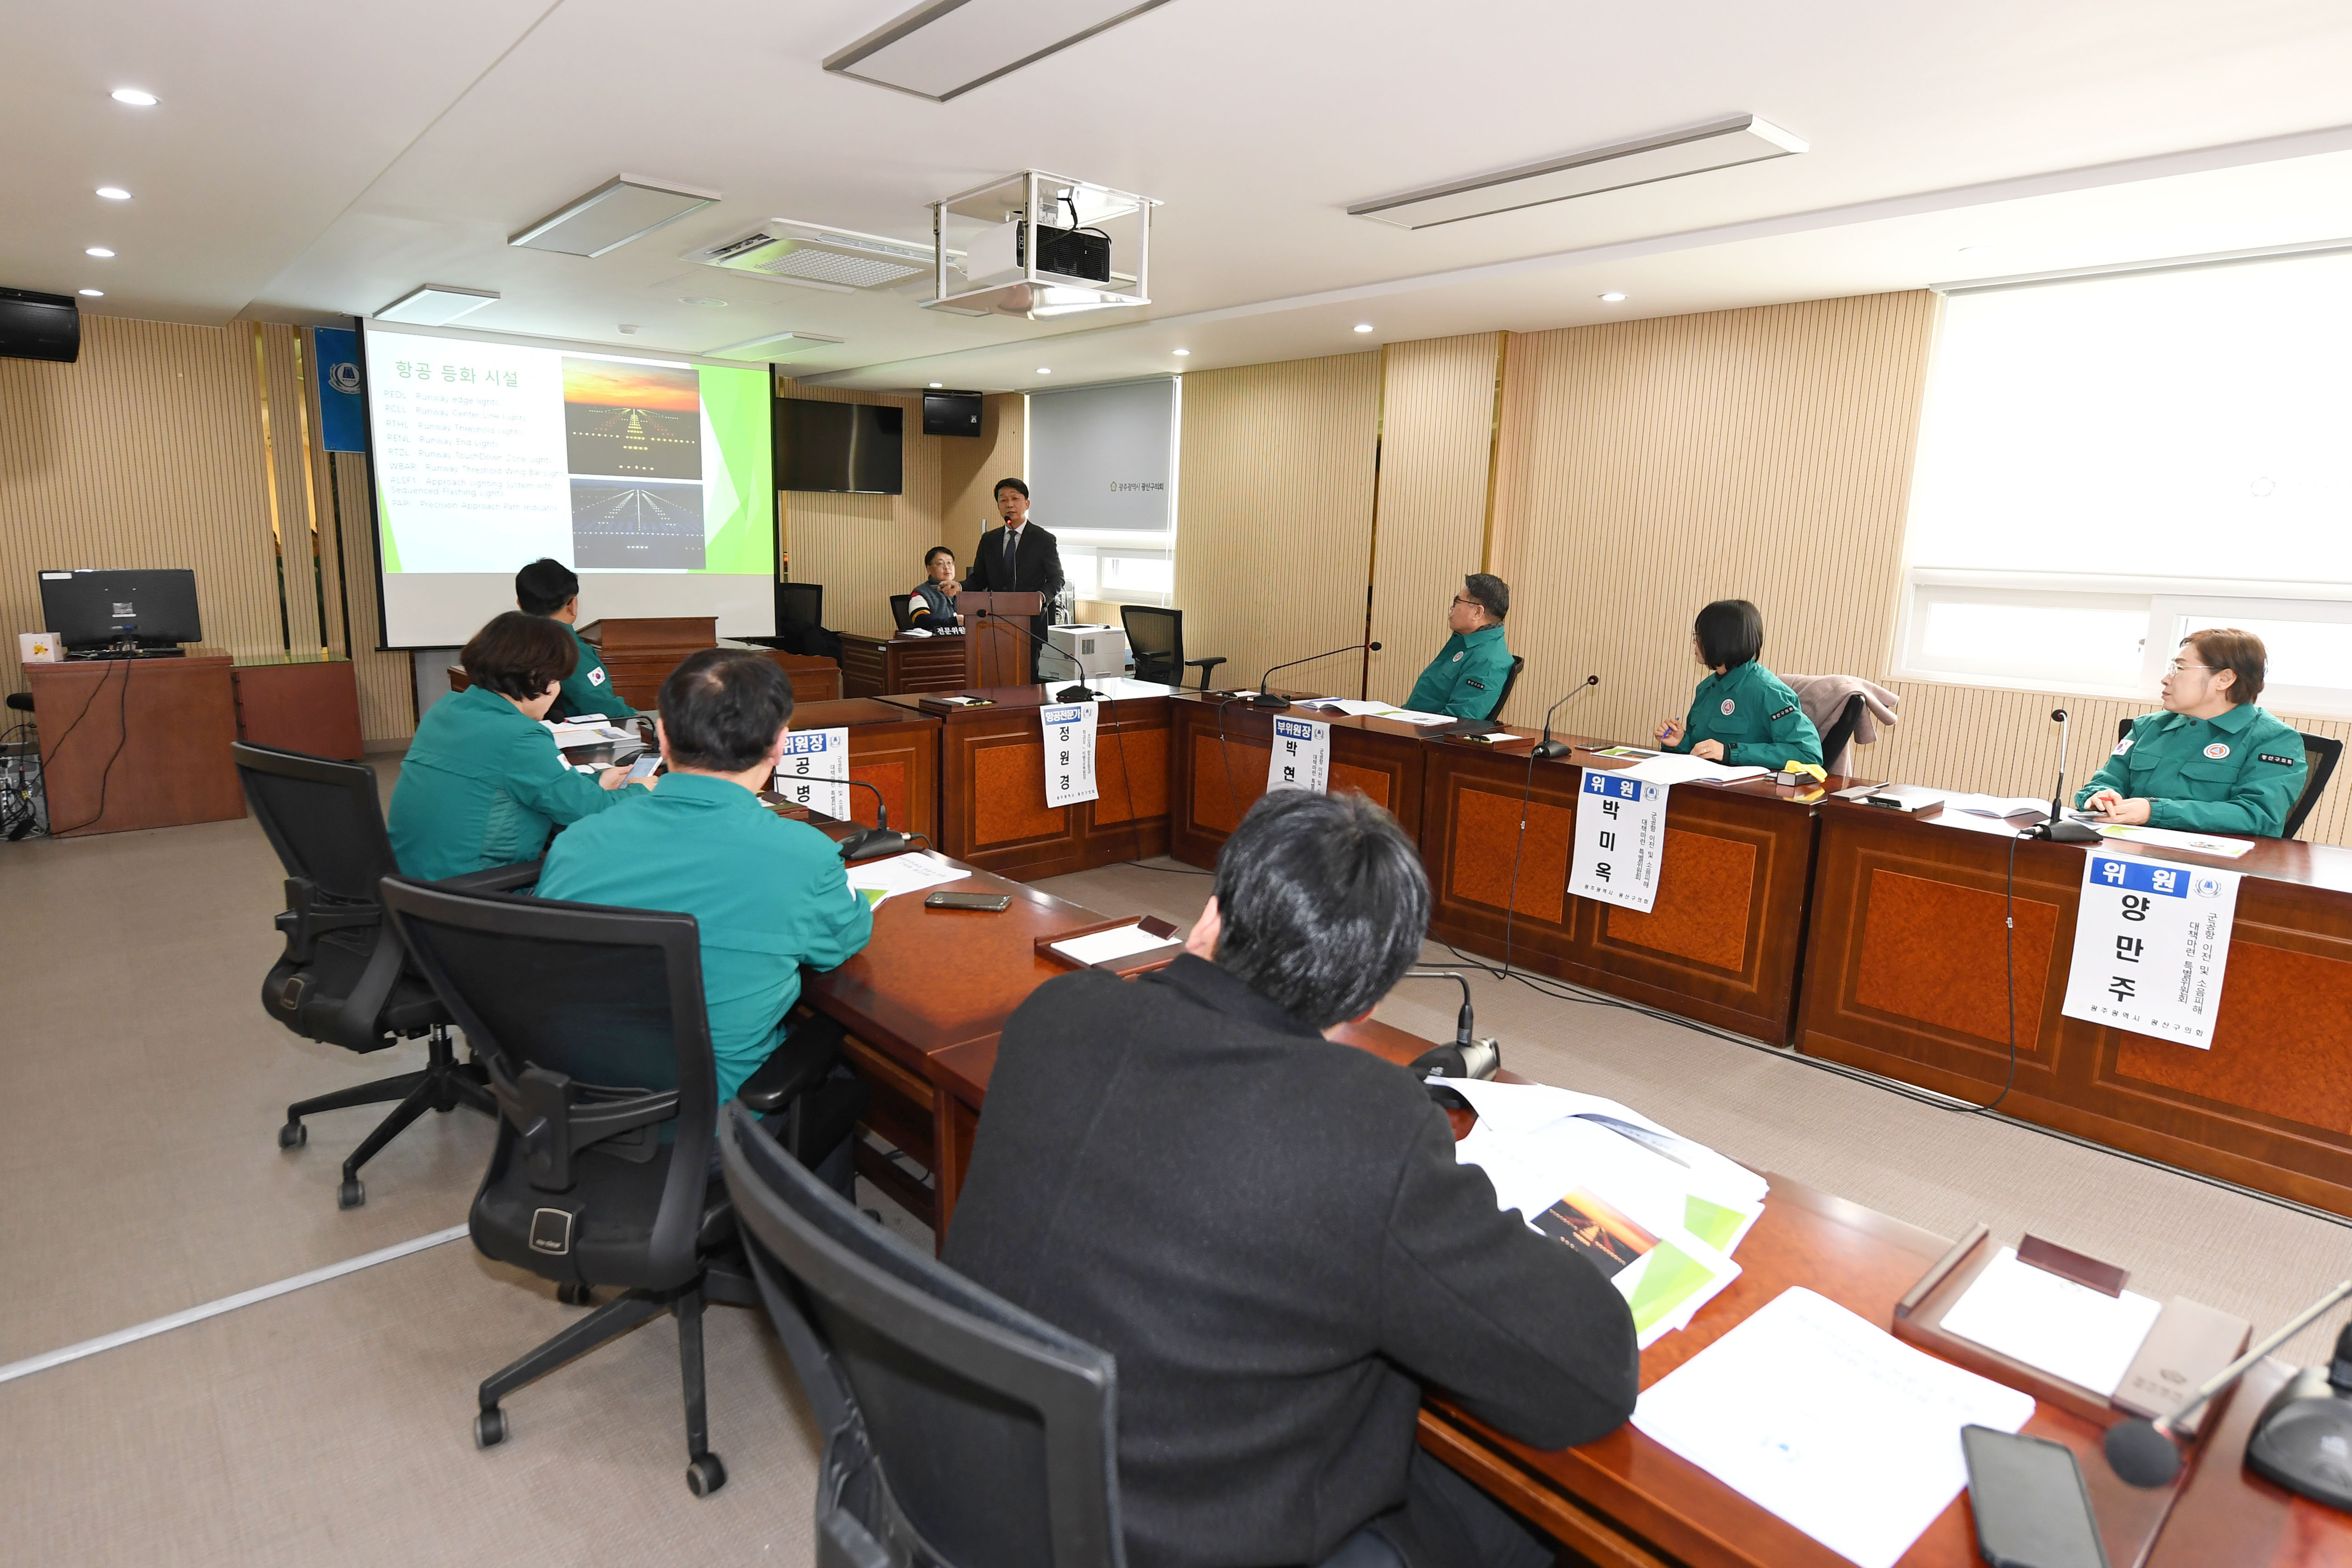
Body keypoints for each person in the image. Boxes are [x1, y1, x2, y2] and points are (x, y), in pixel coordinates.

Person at [944, 790, 1640, 1568]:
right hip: (1171, 1539)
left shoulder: (1059, 1010)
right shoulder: (1365, 1129)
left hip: (970, 1487)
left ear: (1207, 917)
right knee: (1542, 1527)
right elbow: (1591, 1376)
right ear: (1370, 998)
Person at [534, 650, 874, 1109]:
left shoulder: (577, 842)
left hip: (579, 1100)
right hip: (716, 1119)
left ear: (665, 739)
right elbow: (846, 938)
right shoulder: (803, 855)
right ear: (779, 744)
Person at [387, 612, 642, 880]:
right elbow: (589, 812)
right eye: (555, 680)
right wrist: (639, 790)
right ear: (535, 677)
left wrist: (597, 780)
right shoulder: (521, 737)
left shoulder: (445, 710)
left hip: (410, 885)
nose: (556, 691)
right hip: (475, 894)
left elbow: (524, 779)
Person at [2076, 627, 2308, 837]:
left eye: (2179, 669)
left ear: (2224, 679)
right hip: (2132, 847)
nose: (2166, 679)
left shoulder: (2275, 739)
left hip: (2214, 867)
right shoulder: (2148, 727)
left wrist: (2154, 812)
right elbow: (2107, 782)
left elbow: (2258, 816)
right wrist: (2101, 796)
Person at [1655, 598, 1822, 769]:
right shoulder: (1706, 688)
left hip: (1746, 792)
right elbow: (1700, 751)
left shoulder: (1768, 691)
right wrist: (1681, 742)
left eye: (1698, 635)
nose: (1694, 641)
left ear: (1720, 639)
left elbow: (1808, 754)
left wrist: (1730, 752)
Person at [515, 557, 639, 724]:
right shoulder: (569, 649)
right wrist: (642, 720)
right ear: (572, 604)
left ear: (520, 605)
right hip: (574, 743)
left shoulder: (506, 646)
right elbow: (603, 707)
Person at [963, 477, 1065, 647]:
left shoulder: (1043, 539)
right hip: (995, 621)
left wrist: (1041, 597)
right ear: (998, 506)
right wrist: (960, 587)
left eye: (1015, 499)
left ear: (1027, 504)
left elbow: (1057, 579)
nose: (1009, 504)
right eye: (1003, 500)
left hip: (1031, 623)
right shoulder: (989, 540)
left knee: (1028, 672)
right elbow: (979, 579)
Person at [1403, 573, 1514, 720]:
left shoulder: (1489, 660)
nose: (1451, 607)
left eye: (1457, 601)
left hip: (1424, 736)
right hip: (1411, 725)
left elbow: (1460, 722)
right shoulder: (1465, 641)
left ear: (1477, 612)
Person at [907, 546, 961, 629]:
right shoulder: (921, 593)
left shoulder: (961, 590)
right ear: (929, 569)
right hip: (935, 640)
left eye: (950, 563)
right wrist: (954, 622)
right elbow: (921, 620)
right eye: (940, 564)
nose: (947, 567)